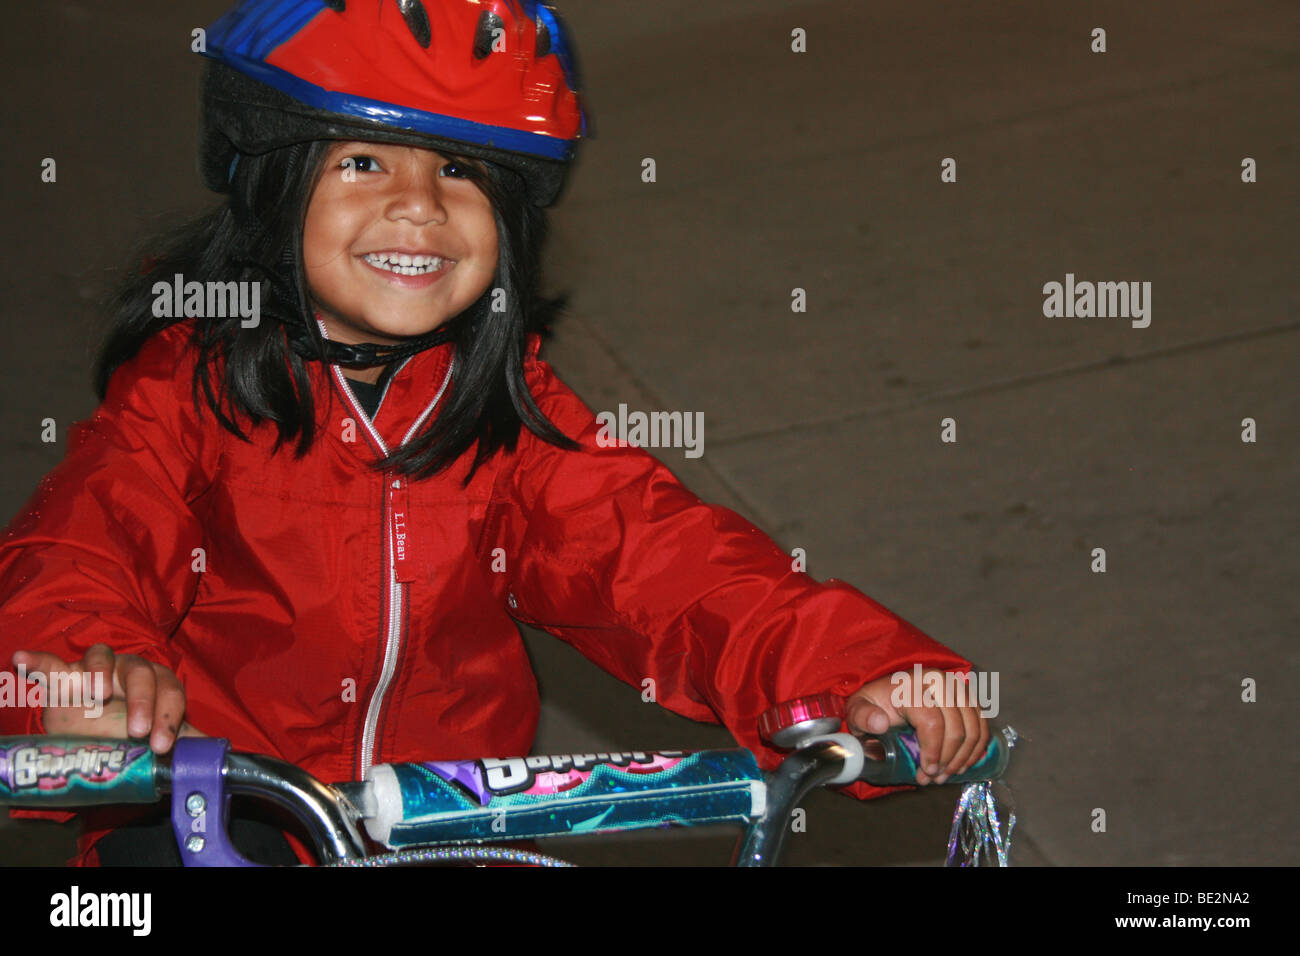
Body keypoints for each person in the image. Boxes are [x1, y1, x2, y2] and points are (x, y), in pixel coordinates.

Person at [0, 0, 989, 865]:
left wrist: (853, 670)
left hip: (451, 819)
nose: (419, 205)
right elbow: (84, 547)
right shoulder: (184, 395)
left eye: (462, 168)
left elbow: (666, 562)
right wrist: (82, 665)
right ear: (270, 182)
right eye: (360, 157)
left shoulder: (509, 413)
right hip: (221, 808)